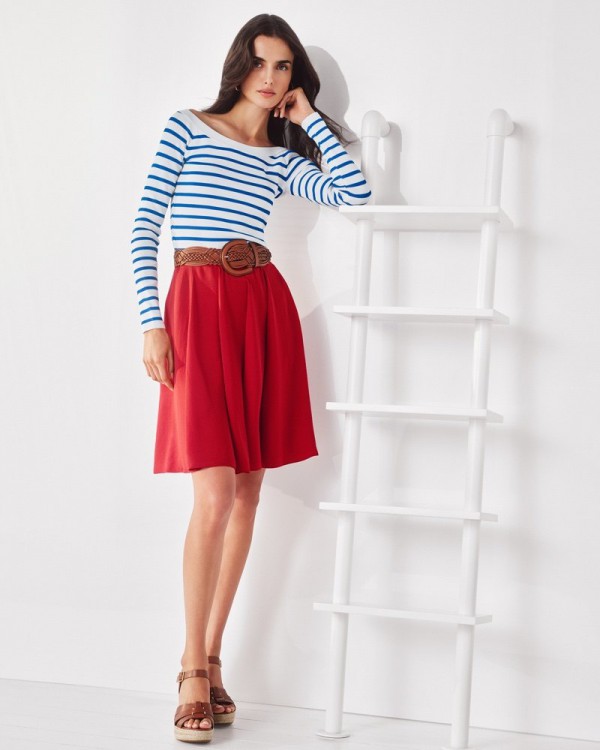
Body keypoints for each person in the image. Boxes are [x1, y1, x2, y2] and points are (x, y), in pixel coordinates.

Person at [129, 13, 371, 743]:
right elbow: (145, 227)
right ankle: (190, 669)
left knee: (247, 489)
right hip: (196, 308)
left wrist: (309, 120)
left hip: (262, 310)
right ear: (239, 65)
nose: (270, 78)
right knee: (212, 493)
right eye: (261, 63)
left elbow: (355, 194)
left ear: (295, 80)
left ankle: (210, 658)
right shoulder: (187, 127)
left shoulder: (281, 157)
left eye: (284, 68)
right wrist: (151, 322)